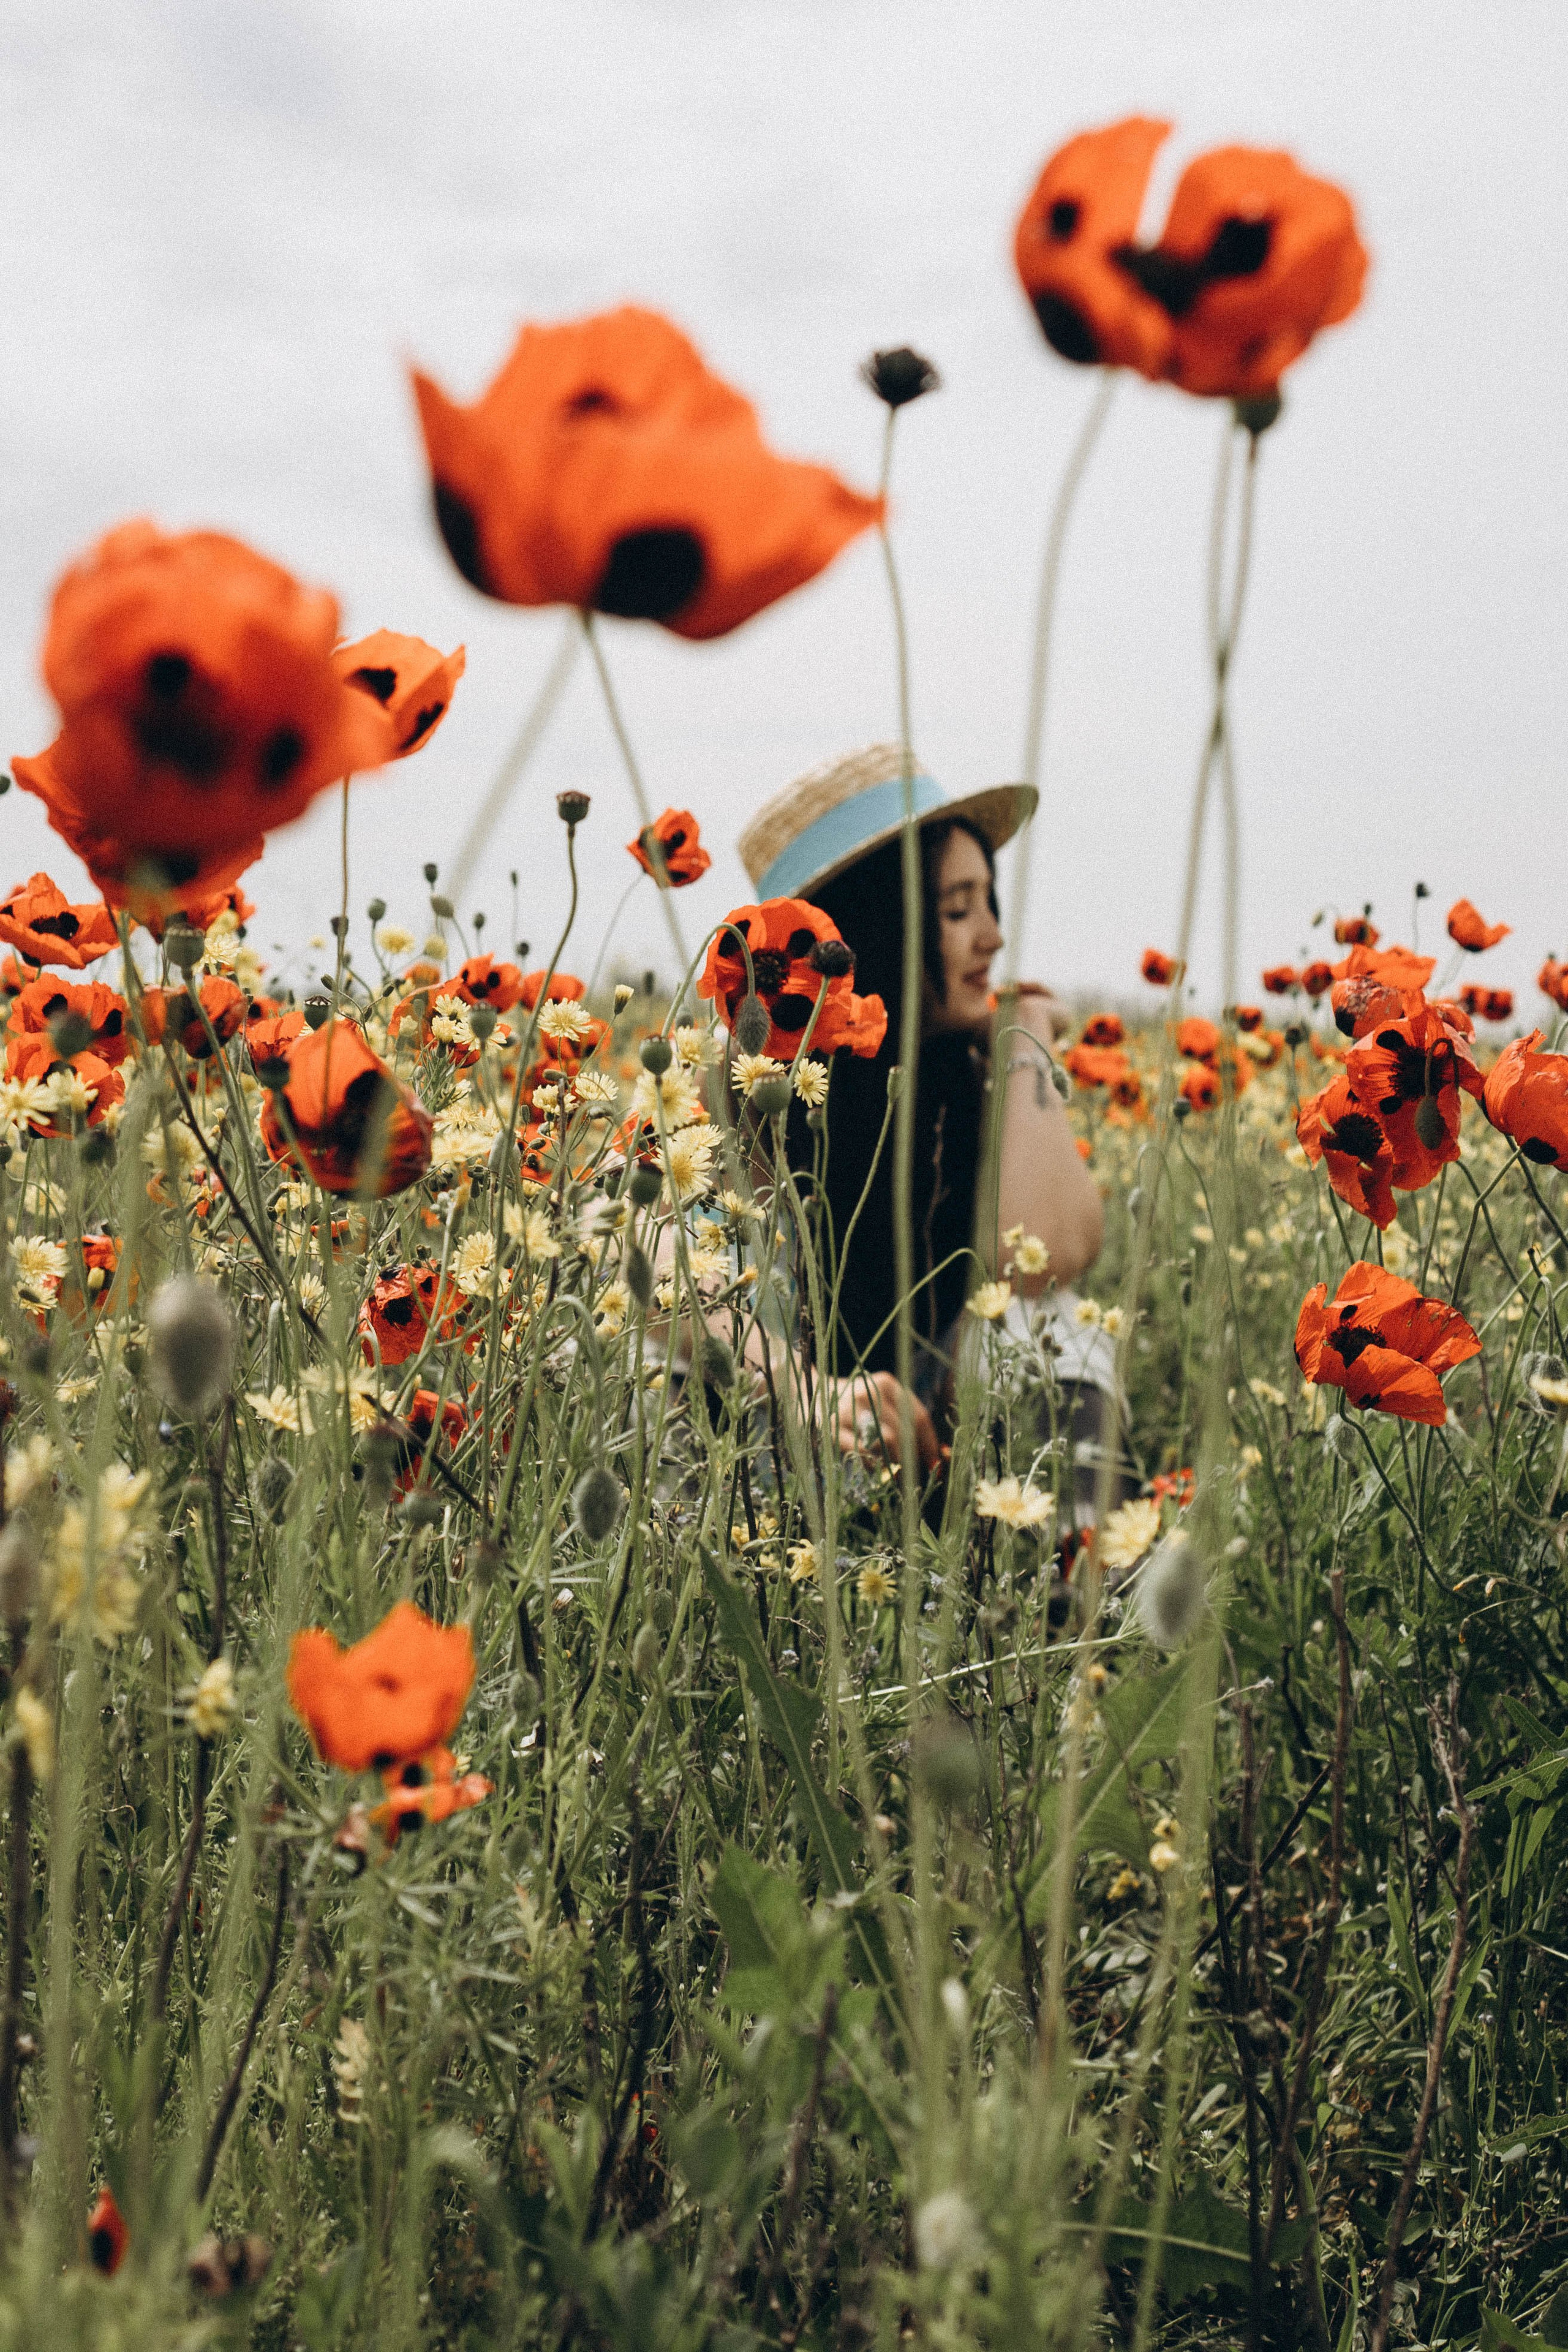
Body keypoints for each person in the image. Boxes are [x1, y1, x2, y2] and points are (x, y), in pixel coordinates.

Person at [736, 743, 1114, 1494]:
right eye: (957, 910)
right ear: (880, 925)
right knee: (658, 1370)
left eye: (989, 903)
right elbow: (655, 1278)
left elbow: (1045, 1257)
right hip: (778, 1452)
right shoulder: (745, 1081)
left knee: (1049, 1331)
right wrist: (802, 1390)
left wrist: (1024, 1037)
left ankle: (1059, 1564)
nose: (992, 936)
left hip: (940, 1445)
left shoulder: (969, 1069)